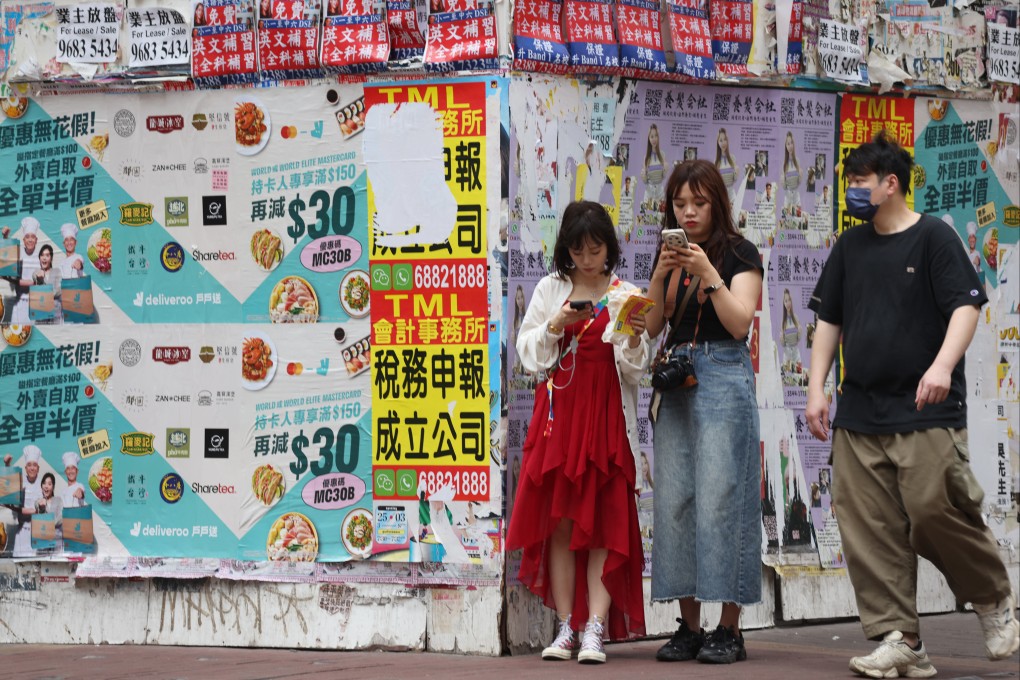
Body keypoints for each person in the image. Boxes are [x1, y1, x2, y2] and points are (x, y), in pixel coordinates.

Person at [805, 132, 1019, 679]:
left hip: (925, 408)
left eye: (859, 183)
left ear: (890, 183)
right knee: (868, 525)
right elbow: (829, 320)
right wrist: (815, 388)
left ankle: (993, 598)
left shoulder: (933, 239)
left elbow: (965, 309)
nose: (852, 192)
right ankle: (900, 638)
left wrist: (943, 366)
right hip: (859, 413)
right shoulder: (849, 248)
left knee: (933, 511)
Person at [507, 200, 650, 664]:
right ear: (566, 251)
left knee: (606, 525)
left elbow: (636, 370)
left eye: (595, 249)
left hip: (607, 419)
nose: (587, 260)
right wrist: (555, 324)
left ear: (609, 248)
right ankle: (566, 626)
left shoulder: (626, 292)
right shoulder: (552, 289)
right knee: (563, 525)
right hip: (562, 422)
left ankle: (595, 629)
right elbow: (528, 354)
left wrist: (631, 334)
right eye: (578, 250)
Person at [644, 160, 764, 665]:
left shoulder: (740, 253)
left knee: (723, 497)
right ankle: (689, 625)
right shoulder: (670, 252)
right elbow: (652, 326)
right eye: (679, 204)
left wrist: (709, 274)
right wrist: (662, 273)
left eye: (699, 203)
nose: (688, 213)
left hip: (722, 372)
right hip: (679, 376)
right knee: (676, 499)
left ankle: (729, 629)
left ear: (717, 203)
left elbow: (740, 325)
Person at [1, 216, 41, 323]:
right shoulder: (19, 253)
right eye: (27, 237)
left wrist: (11, 280)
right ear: (23, 239)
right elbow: (6, 256)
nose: (30, 240)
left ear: (36, 240)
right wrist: (5, 236)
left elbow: (37, 282)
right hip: (17, 302)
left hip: (34, 303)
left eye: (33, 237)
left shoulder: (40, 257)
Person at [11, 444, 43, 557]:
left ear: (38, 468)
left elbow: (46, 507)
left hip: (38, 532)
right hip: (21, 533)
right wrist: (34, 511)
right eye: (29, 465)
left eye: (34, 465)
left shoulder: (43, 484)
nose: (32, 468)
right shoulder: (20, 483)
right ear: (25, 468)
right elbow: (14, 506)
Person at [642, 124, 666, 211]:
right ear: (649, 138)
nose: (654, 139)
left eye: (656, 136)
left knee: (661, 218)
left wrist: (665, 170)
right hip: (649, 192)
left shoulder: (662, 155)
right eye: (652, 136)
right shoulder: (646, 158)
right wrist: (643, 175)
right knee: (647, 220)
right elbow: (644, 181)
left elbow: (663, 176)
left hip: (660, 192)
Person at [780, 288, 802, 373]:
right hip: (787, 354)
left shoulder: (796, 318)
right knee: (787, 381)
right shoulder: (783, 322)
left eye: (789, 300)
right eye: (786, 301)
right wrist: (781, 338)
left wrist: (800, 331)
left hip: (796, 353)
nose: (788, 303)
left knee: (799, 379)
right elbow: (783, 344)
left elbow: (799, 339)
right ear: (783, 303)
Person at [782, 132, 802, 210]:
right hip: (787, 198)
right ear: (786, 146)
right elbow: (784, 187)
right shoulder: (784, 165)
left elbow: (799, 182)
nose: (790, 146)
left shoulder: (798, 161)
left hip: (796, 197)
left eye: (791, 143)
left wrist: (800, 174)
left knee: (799, 220)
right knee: (787, 221)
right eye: (788, 144)